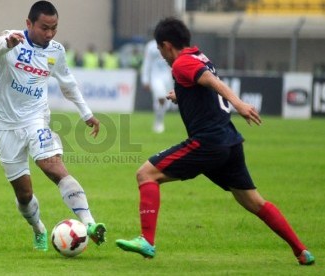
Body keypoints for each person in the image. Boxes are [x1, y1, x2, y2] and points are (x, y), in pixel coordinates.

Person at [116, 17, 315, 265]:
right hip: (229, 142)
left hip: (208, 142)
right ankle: (301, 250)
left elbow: (212, 82)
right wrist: (181, 94)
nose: (162, 57)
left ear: (167, 46)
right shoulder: (199, 56)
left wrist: (239, 104)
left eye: (160, 51)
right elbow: (202, 83)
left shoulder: (181, 63)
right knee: (254, 202)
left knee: (146, 174)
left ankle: (147, 241)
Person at [0, 0, 106, 251]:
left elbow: (68, 83)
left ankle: (90, 223)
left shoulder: (56, 50)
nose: (49, 34)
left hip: (36, 118)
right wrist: (6, 43)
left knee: (52, 165)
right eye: (44, 28)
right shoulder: (11, 40)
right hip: (4, 124)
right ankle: (38, 227)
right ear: (29, 24)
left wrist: (86, 113)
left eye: (54, 28)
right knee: (24, 195)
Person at [141, 39, 173, 133]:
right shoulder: (151, 46)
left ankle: (159, 120)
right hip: (155, 76)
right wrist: (145, 79)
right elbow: (147, 63)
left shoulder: (170, 44)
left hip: (168, 77)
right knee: (160, 97)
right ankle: (159, 122)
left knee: (166, 102)